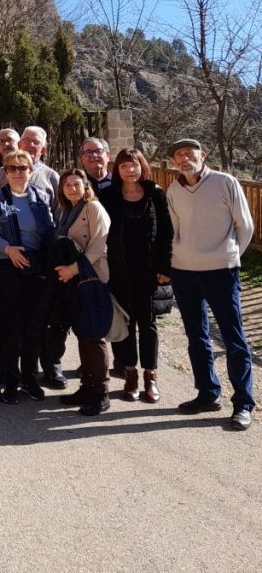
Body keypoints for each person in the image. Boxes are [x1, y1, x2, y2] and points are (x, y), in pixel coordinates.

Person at [166, 139, 255, 430]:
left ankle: (243, 403)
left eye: (190, 153)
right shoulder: (174, 189)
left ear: (203, 155)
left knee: (233, 338)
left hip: (221, 271)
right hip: (184, 271)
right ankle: (207, 393)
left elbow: (245, 225)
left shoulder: (225, 182)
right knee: (196, 335)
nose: (184, 158)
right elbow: (176, 229)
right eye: (179, 155)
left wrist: (228, 255)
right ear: (174, 161)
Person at [0, 149, 56, 404]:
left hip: (35, 268)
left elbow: (49, 232)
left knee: (34, 328)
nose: (16, 173)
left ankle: (30, 379)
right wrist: (8, 249)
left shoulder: (41, 197)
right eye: (11, 168)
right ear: (5, 171)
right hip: (6, 266)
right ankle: (10, 380)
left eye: (22, 168)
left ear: (31, 170)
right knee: (11, 328)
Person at [99, 148, 172, 403]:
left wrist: (165, 268)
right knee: (126, 322)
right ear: (117, 170)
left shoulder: (156, 195)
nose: (130, 170)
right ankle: (130, 375)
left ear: (143, 167)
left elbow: (166, 234)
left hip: (149, 272)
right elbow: (100, 233)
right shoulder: (107, 196)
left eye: (134, 165)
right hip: (119, 271)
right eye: (124, 166)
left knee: (148, 324)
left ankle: (150, 377)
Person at [50, 169, 111, 415]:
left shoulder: (93, 209)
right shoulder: (66, 211)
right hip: (75, 281)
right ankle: (87, 385)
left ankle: (101, 391)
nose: (72, 188)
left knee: (94, 336)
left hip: (91, 278)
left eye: (77, 184)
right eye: (67, 185)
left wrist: (73, 269)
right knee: (83, 333)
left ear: (86, 186)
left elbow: (99, 246)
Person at [0, 126, 60, 206]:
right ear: (19, 144)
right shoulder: (1, 173)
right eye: (27, 141)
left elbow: (59, 212)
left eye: (36, 142)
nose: (31, 145)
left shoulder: (51, 177)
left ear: (43, 150)